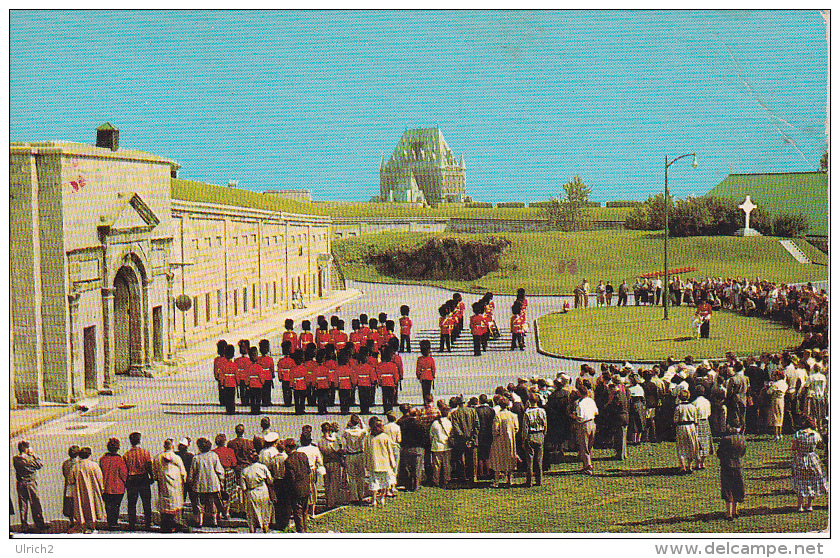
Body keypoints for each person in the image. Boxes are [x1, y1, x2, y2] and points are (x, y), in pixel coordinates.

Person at [790, 417, 828, 512]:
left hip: (800, 459)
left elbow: (794, 447)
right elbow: (821, 446)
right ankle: (810, 505)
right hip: (812, 459)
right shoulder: (815, 434)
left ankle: (800, 506)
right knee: (812, 481)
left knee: (800, 482)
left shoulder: (798, 434)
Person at [153, 439, 188, 533]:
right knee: (175, 505)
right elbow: (183, 473)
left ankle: (165, 524)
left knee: (164, 505)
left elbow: (154, 474)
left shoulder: (157, 458)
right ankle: (176, 523)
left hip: (163, 485)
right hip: (175, 486)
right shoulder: (176, 458)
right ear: (172, 446)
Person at [13, 440, 49, 532]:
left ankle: (24, 524)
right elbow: (39, 464)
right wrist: (33, 455)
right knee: (35, 503)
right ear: (26, 449)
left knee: (23, 504)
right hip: (30, 482)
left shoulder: (15, 459)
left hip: (20, 483)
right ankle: (39, 523)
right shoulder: (29, 460)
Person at [189, 438, 224, 528]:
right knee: (213, 504)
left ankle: (200, 521)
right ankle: (214, 520)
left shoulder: (196, 458)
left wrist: (190, 482)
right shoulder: (214, 456)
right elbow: (219, 470)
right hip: (213, 483)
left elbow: (193, 472)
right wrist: (221, 480)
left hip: (200, 484)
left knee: (200, 504)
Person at [123, 432, 153, 531]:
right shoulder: (145, 453)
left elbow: (125, 469)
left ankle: (132, 523)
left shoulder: (127, 455)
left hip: (132, 479)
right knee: (146, 502)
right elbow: (149, 466)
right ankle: (148, 522)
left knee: (131, 503)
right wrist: (151, 477)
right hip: (143, 478)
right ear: (139, 440)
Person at [717, 419, 747, 520]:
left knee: (727, 488)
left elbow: (719, 452)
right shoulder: (742, 439)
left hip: (727, 465)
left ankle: (728, 512)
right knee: (737, 487)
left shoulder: (725, 439)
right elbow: (743, 452)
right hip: (738, 464)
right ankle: (735, 510)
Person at [364, 417, 397, 507]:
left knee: (374, 482)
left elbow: (366, 451)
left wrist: (366, 463)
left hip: (373, 464)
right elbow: (390, 451)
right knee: (384, 481)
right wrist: (392, 463)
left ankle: (374, 499)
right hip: (385, 463)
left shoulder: (368, 438)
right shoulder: (385, 437)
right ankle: (382, 497)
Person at [283, 438, 311, 532]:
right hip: (306, 486)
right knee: (304, 512)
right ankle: (305, 530)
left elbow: (290, 478)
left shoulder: (288, 461)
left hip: (296, 490)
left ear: (287, 448)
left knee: (298, 513)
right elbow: (308, 470)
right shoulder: (303, 455)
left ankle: (301, 531)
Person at [489, 396, 519, 487]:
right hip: (510, 440)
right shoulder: (513, 415)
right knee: (509, 457)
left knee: (498, 458)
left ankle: (496, 480)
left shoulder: (498, 415)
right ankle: (509, 479)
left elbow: (495, 429)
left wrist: (495, 434)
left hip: (499, 440)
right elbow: (516, 428)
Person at [449, 396, 479, 485]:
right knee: (472, 459)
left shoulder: (454, 413)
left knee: (461, 459)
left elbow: (456, 428)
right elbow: (477, 425)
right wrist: (472, 438)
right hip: (471, 439)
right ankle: (472, 476)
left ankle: (462, 476)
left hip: (461, 441)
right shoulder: (472, 411)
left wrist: (464, 438)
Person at [240, 452, 273, 533]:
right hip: (262, 490)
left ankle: (252, 531)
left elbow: (243, 487)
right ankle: (265, 530)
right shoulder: (263, 467)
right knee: (264, 511)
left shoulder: (244, 471)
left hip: (251, 492)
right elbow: (270, 480)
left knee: (251, 514)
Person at [99, 438, 128, 530]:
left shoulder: (103, 459)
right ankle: (114, 523)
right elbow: (123, 474)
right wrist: (126, 482)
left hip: (106, 487)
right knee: (116, 506)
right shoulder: (119, 460)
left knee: (108, 506)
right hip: (118, 487)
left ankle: (110, 522)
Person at [397, 405, 426, 492]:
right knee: (417, 469)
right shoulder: (421, 423)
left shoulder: (403, 423)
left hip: (406, 447)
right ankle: (416, 485)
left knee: (408, 469)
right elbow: (424, 436)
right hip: (417, 448)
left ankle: (408, 485)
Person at [342, 414, 368, 504]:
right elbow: (365, 430)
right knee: (361, 475)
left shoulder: (347, 432)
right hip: (359, 454)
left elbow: (344, 435)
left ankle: (354, 496)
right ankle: (361, 494)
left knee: (352, 476)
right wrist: (361, 422)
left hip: (350, 455)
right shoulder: (361, 431)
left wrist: (348, 424)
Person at [522, 393, 547, 487]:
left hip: (530, 435)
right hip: (540, 434)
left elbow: (525, 428)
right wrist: (544, 434)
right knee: (539, 459)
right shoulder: (542, 411)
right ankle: (539, 480)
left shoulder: (527, 413)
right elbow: (545, 424)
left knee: (529, 460)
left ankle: (529, 480)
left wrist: (524, 439)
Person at [317, 423, 343, 509]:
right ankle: (332, 502)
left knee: (327, 483)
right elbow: (338, 450)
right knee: (334, 483)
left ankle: (328, 500)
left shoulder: (320, 440)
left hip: (325, 462)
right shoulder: (333, 440)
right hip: (334, 461)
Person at [574, 383, 598, 474]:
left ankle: (587, 465)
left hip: (584, 424)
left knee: (584, 446)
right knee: (590, 445)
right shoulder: (591, 401)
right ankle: (588, 463)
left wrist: (573, 416)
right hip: (592, 422)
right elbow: (596, 412)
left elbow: (580, 417)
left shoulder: (580, 404)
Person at [674, 389, 700, 473]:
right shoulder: (692, 407)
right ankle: (690, 466)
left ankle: (683, 466)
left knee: (681, 445)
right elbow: (696, 420)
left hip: (681, 426)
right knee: (691, 445)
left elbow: (675, 420)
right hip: (691, 426)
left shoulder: (678, 407)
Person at [212, 434, 237, 520]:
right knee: (228, 493)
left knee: (218, 494)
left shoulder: (213, 452)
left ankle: (219, 513)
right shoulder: (229, 451)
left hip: (217, 473)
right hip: (228, 472)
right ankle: (226, 512)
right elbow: (234, 463)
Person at [429, 404, 453, 489]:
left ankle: (436, 480)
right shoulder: (449, 422)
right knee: (447, 464)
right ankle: (447, 479)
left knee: (436, 465)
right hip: (447, 445)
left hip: (437, 446)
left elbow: (431, 435)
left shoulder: (435, 423)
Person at [382, 412, 402, 496]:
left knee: (388, 466)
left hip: (387, 446)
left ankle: (387, 485)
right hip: (395, 446)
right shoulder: (397, 427)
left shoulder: (384, 427)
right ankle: (393, 485)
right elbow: (399, 439)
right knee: (395, 466)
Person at [692, 386, 712, 469]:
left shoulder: (694, 402)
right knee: (705, 442)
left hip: (698, 422)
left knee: (698, 442)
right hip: (705, 421)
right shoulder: (707, 402)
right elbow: (709, 413)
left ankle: (697, 463)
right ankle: (702, 462)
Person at [61, 445, 81, 529]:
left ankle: (71, 520)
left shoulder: (66, 463)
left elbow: (64, 473)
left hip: (68, 486)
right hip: (77, 486)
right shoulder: (79, 464)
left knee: (69, 503)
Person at [768, 370, 788, 440]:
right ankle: (780, 433)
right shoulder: (784, 383)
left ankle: (776, 434)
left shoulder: (775, 384)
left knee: (775, 417)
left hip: (775, 399)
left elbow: (769, 392)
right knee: (781, 416)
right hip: (781, 399)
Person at [257, 339, 274, 406]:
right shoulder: (270, 359)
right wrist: (273, 375)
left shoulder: (258, 359)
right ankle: (268, 401)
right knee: (268, 390)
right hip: (268, 375)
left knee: (263, 389)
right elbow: (272, 368)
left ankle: (264, 401)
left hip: (261, 376)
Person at [213, 340, 228, 406]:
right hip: (221, 377)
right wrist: (216, 376)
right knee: (222, 390)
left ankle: (224, 400)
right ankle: (223, 400)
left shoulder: (225, 359)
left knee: (224, 390)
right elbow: (215, 368)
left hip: (224, 377)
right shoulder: (217, 359)